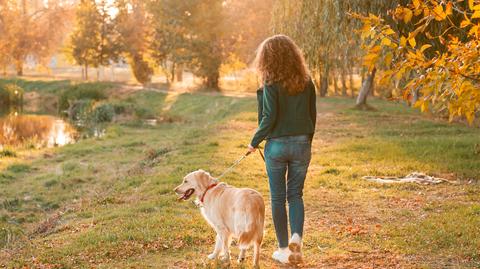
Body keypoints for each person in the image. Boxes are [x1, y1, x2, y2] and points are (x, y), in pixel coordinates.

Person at [248, 34, 316, 265]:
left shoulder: (270, 84)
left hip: (276, 145)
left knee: (278, 199)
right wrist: (306, 141)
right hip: (301, 143)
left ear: (267, 59)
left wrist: (254, 141)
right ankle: (297, 236)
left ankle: (284, 249)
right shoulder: (307, 82)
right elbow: (312, 116)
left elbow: (269, 118)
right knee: (295, 195)